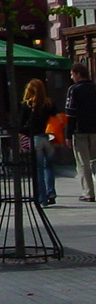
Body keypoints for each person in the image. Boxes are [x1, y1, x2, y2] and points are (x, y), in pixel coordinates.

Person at [20, 79, 56, 206]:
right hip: (49, 138)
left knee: (38, 169)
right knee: (49, 167)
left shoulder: (27, 105)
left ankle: (42, 198)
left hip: (35, 138)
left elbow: (21, 124)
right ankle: (51, 192)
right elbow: (56, 118)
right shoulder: (49, 104)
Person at [65, 61, 96, 202]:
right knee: (95, 161)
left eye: (72, 74)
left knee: (83, 163)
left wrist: (68, 134)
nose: (71, 77)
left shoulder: (74, 89)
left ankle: (88, 193)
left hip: (80, 130)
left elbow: (70, 114)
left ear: (78, 74)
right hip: (95, 130)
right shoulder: (94, 88)